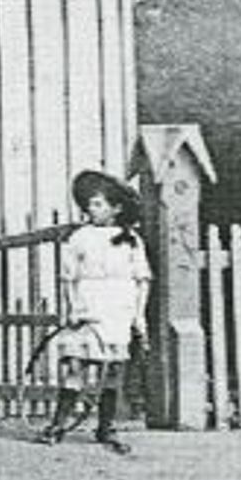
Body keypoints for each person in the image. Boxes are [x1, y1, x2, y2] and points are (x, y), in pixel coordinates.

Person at [40, 169, 152, 454]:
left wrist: (138, 316)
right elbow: (68, 279)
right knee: (76, 364)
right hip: (88, 305)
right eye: (90, 204)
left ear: (116, 209)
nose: (92, 209)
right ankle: (57, 425)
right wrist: (73, 309)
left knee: (112, 370)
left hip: (119, 307)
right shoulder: (79, 238)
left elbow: (142, 280)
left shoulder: (131, 240)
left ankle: (106, 428)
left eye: (99, 204)